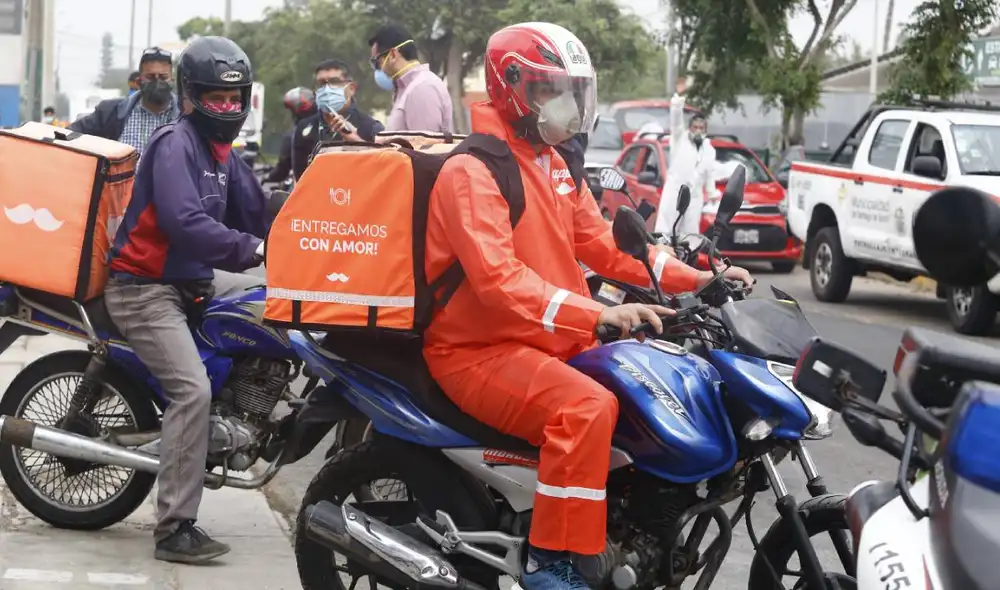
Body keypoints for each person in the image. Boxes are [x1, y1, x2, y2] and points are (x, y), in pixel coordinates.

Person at [423, 22, 753, 590]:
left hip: (544, 339)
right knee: (586, 408)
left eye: (574, 90)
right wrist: (596, 314)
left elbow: (607, 246)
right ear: (514, 88)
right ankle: (551, 564)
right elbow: (499, 281)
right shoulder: (472, 171)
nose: (567, 103)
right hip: (477, 350)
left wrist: (701, 277)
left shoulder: (552, 164)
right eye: (553, 89)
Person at [103, 36, 268, 565]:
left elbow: (258, 214)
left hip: (186, 284)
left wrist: (315, 226)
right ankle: (175, 527)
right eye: (215, 98)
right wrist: (254, 249)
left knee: (268, 314)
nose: (227, 108)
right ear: (190, 97)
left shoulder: (226, 156)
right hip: (143, 289)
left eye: (235, 98)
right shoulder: (175, 143)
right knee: (191, 391)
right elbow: (183, 220)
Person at [70, 47, 179, 153]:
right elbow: (69, 135)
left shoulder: (188, 116)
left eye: (163, 77)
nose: (157, 82)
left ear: (172, 80)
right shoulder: (109, 112)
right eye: (150, 77)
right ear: (139, 80)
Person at [291, 59, 384, 180]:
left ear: (351, 88)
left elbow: (380, 172)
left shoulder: (371, 128)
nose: (327, 89)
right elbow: (300, 177)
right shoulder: (305, 128)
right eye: (321, 84)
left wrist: (356, 141)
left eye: (334, 82)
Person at [653, 79, 715, 238]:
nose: (698, 130)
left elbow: (710, 175)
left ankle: (688, 261)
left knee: (691, 235)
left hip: (695, 197)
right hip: (675, 192)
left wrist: (712, 193)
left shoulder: (709, 149)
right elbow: (675, 119)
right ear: (689, 128)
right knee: (667, 232)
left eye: (702, 128)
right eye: (695, 127)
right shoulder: (679, 139)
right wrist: (678, 98)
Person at [368, 24, 453, 133]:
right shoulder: (406, 90)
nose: (378, 69)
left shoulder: (422, 88)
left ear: (393, 55)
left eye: (376, 62)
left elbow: (425, 147)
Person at [262, 86, 316, 184]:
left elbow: (283, 168)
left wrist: (268, 177)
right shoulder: (329, 124)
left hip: (305, 186)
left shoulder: (295, 135)